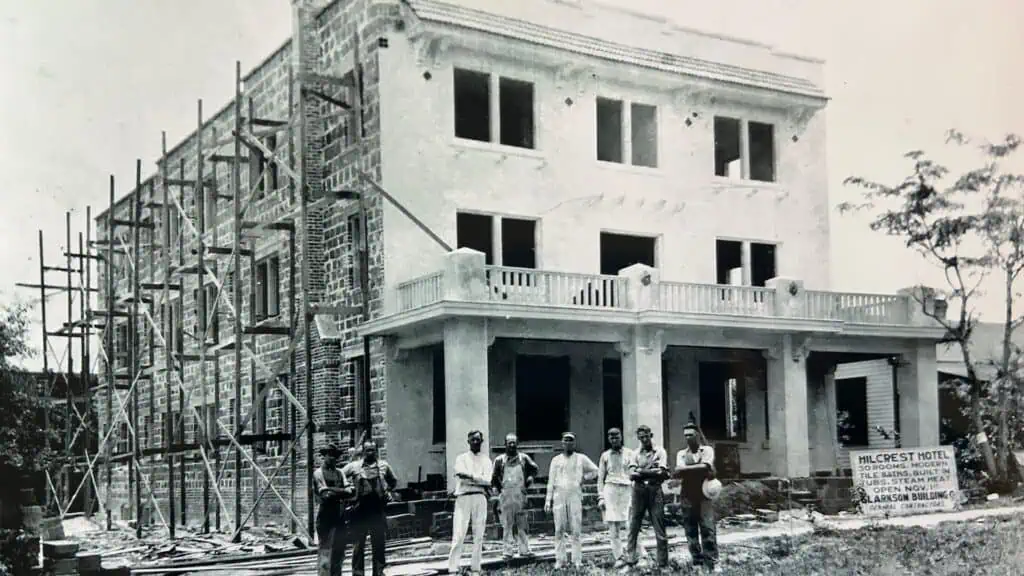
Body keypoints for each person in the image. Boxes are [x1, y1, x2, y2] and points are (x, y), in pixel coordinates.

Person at [342, 440, 398, 576]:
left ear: (376, 450)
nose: (370, 453)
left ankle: (378, 573)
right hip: (359, 510)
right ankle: (358, 573)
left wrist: (388, 491)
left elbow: (394, 480)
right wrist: (346, 487)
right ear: (363, 451)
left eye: (373, 450)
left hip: (377, 510)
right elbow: (341, 475)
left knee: (378, 544)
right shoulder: (354, 466)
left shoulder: (384, 466)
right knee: (358, 545)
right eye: (368, 450)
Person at [544, 431, 599, 570]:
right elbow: (550, 481)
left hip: (574, 495)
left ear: (574, 443)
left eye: (571, 440)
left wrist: (583, 478)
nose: (568, 443)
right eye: (566, 440)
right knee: (559, 529)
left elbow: (596, 471)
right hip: (559, 495)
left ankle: (577, 560)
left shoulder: (581, 458)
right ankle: (560, 560)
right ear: (562, 443)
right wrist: (548, 500)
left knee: (576, 529)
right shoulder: (556, 460)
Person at [675, 418, 720, 573]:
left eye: (691, 435)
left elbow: (707, 465)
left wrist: (688, 469)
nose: (688, 438)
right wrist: (699, 468)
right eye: (686, 435)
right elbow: (678, 470)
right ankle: (697, 562)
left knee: (708, 527)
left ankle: (713, 561)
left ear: (698, 436)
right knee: (690, 528)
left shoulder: (707, 450)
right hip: (687, 493)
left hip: (704, 493)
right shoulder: (681, 453)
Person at [623, 424, 670, 569]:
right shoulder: (635, 453)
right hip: (639, 491)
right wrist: (650, 471)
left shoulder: (660, 451)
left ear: (651, 435)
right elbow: (631, 474)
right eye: (641, 437)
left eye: (646, 436)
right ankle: (630, 561)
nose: (644, 439)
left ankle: (662, 563)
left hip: (654, 490)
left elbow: (661, 472)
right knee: (633, 526)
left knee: (659, 526)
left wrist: (641, 471)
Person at [448, 430, 493, 576]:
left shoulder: (486, 460)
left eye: (478, 440)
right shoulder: (461, 458)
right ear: (468, 441)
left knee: (479, 534)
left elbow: (488, 481)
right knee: (459, 533)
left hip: (480, 498)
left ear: (482, 441)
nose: (475, 442)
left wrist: (471, 477)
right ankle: (453, 568)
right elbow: (461, 476)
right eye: (473, 440)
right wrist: (478, 480)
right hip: (463, 497)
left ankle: (476, 567)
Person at [490, 433, 539, 561]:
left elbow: (534, 469)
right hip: (506, 495)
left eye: (514, 442)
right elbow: (494, 478)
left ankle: (524, 550)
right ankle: (507, 551)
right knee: (507, 524)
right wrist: (497, 491)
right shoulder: (499, 460)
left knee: (522, 523)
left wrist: (530, 478)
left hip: (520, 495)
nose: (512, 445)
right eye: (509, 442)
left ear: (517, 444)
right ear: (505, 444)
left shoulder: (524, 458)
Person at [312, 443, 353, 576]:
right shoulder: (318, 473)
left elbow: (349, 491)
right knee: (325, 550)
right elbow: (325, 495)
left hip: (339, 516)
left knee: (339, 550)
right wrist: (341, 492)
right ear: (324, 456)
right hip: (325, 517)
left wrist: (332, 490)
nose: (332, 458)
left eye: (335, 456)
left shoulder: (340, 472)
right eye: (329, 455)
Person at [597, 428, 635, 568]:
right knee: (613, 526)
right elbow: (600, 478)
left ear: (621, 437)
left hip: (627, 489)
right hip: (610, 490)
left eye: (616, 436)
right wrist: (601, 497)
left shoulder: (630, 453)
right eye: (611, 437)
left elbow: (634, 473)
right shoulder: (605, 456)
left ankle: (637, 554)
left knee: (631, 524)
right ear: (608, 439)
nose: (614, 439)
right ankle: (618, 556)